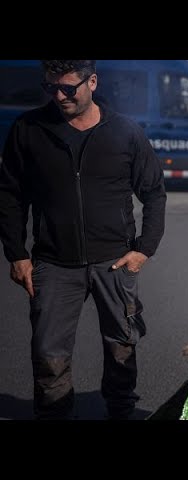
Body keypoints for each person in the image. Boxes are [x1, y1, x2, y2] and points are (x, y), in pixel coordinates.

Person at [0, 60, 167, 420]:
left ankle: (121, 412)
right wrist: (16, 253)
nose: (58, 96)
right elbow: (10, 194)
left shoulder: (124, 132)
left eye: (67, 88)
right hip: (53, 263)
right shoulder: (30, 130)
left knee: (121, 347)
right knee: (48, 353)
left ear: (92, 82)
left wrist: (143, 250)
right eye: (50, 88)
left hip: (114, 261)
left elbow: (154, 193)